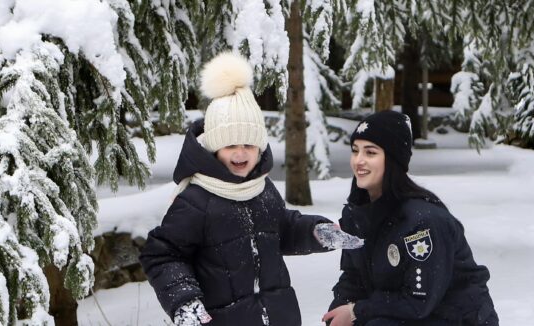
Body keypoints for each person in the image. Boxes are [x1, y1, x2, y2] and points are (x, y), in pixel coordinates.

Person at [139, 52, 362, 326]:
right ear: (214, 147)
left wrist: (315, 232)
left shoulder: (262, 189)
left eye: (248, 145)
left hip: (278, 317)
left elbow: (282, 228)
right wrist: (184, 299)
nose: (240, 153)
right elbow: (162, 254)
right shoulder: (196, 200)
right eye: (230, 145)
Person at [322, 111, 498, 326]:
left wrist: (356, 311)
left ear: (393, 159)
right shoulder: (356, 216)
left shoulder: (422, 222)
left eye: (370, 152)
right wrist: (338, 311)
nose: (359, 160)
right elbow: (353, 277)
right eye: (355, 150)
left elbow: (419, 301)